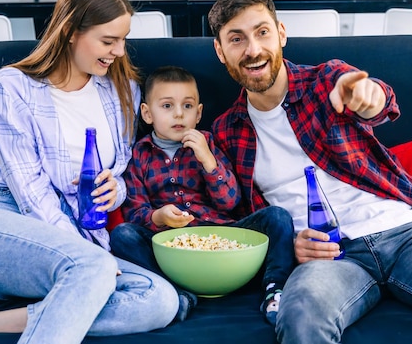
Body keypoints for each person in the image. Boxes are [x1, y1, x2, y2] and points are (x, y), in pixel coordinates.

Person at [207, 0, 412, 344]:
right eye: (237, 39)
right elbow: (245, 219)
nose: (253, 49)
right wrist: (289, 244)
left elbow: (378, 98)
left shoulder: (326, 79)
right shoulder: (226, 131)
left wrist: (369, 98)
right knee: (300, 322)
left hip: (404, 233)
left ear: (281, 33)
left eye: (262, 32)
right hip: (328, 257)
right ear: (221, 51)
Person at [0, 0, 179, 343]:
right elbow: (29, 189)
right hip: (7, 218)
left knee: (159, 300)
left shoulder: (124, 91)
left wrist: (113, 190)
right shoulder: (10, 87)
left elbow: (120, 175)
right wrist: (90, 255)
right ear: (71, 30)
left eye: (123, 39)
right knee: (93, 268)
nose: (119, 51)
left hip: (82, 232)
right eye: (108, 40)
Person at [109, 65, 295, 325]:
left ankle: (275, 289)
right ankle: (179, 294)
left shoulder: (208, 143)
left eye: (187, 106)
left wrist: (208, 160)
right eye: (167, 106)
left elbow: (230, 201)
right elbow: (134, 211)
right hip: (172, 250)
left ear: (198, 114)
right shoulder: (139, 155)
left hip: (222, 238)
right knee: (122, 235)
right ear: (147, 113)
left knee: (277, 217)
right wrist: (159, 217)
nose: (178, 114)